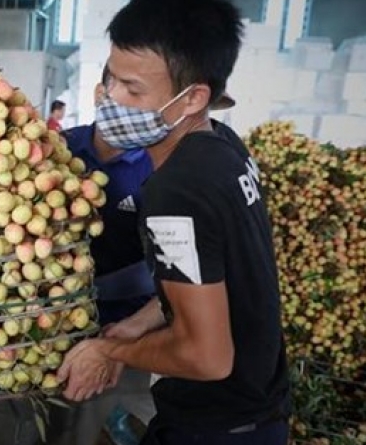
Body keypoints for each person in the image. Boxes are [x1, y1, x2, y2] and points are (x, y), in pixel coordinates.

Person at [56, 0, 290, 445]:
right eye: (110, 79)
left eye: (134, 90)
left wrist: (107, 351)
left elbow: (207, 356)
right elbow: (211, 273)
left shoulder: (174, 191)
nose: (112, 100)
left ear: (194, 98)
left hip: (215, 428)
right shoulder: (224, 147)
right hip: (260, 413)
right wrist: (137, 327)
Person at [50, 67, 237, 445]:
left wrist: (127, 338)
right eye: (128, 94)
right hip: (54, 330)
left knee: (113, 426)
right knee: (54, 426)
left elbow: (184, 273)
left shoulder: (163, 168)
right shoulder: (59, 151)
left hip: (130, 331)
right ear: (101, 93)